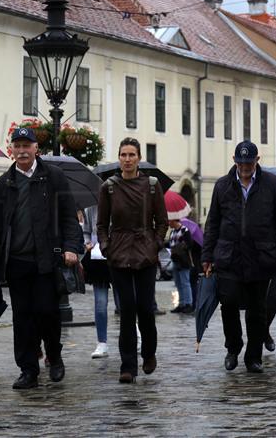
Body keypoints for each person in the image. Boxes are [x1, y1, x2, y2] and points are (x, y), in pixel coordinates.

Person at [0, 127, 83, 390]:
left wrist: (72, 247)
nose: (22, 150)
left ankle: (54, 355)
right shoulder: (3, 183)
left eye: (27, 145)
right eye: (18, 146)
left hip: (46, 259)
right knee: (23, 318)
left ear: (37, 148)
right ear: (11, 150)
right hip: (16, 262)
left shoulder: (53, 177)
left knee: (48, 312)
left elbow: (69, 217)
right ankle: (28, 370)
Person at [202, 141, 276, 373]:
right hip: (228, 256)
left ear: (256, 161)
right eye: (241, 163)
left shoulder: (271, 184)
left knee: (257, 310)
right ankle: (233, 348)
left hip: (261, 257)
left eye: (249, 163)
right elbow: (212, 223)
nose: (244, 167)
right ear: (234, 161)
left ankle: (254, 356)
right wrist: (207, 256)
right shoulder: (222, 185)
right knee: (228, 302)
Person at [97, 137, 168, 384]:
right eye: (123, 155)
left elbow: (162, 222)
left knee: (145, 308)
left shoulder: (151, 185)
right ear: (119, 158)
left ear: (139, 158)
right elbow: (102, 224)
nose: (127, 159)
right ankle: (127, 365)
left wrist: (156, 243)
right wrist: (107, 247)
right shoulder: (109, 187)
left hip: (145, 252)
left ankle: (149, 352)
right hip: (119, 253)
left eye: (132, 155)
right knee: (126, 309)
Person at [80, 206, 110, 358]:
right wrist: (87, 243)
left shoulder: (119, 198)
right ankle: (102, 343)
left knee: (124, 303)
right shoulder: (90, 208)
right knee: (100, 304)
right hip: (98, 258)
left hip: (118, 256)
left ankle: (134, 334)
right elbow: (86, 230)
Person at [167, 219, 194, 314]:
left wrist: (179, 248)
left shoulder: (184, 230)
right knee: (178, 283)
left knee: (185, 282)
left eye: (169, 221)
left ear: (174, 221)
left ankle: (188, 304)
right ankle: (182, 303)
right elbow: (170, 244)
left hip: (183, 260)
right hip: (175, 260)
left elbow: (190, 244)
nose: (168, 223)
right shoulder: (172, 232)